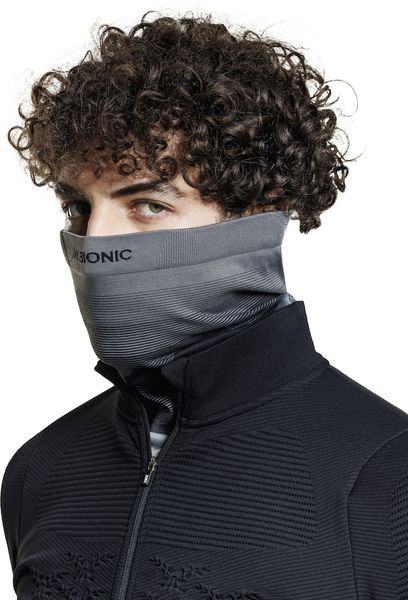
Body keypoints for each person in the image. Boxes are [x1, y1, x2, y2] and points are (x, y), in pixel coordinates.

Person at [2, 11, 407, 600]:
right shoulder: (42, 470)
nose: (95, 241)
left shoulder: (389, 481)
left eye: (148, 204)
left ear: (258, 211)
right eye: (79, 208)